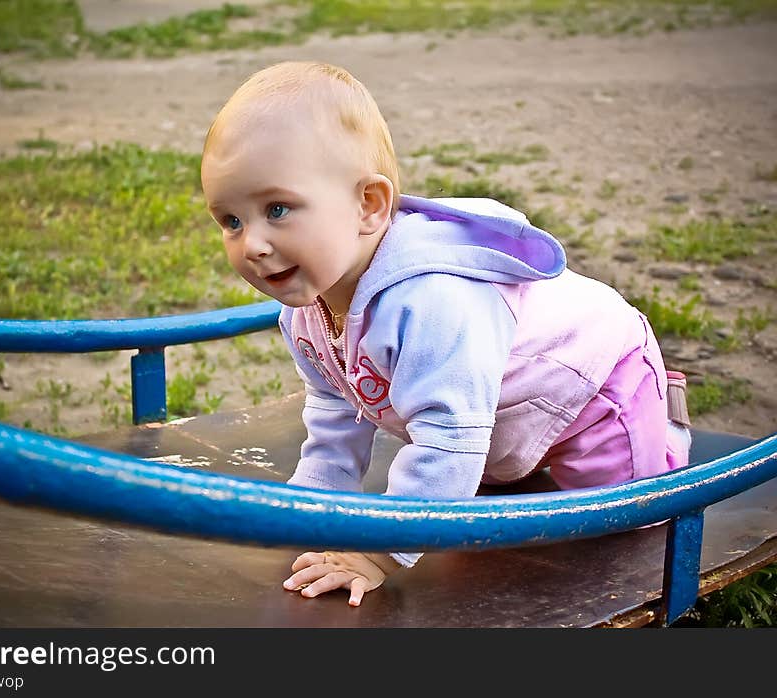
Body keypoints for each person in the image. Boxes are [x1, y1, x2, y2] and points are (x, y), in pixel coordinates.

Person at [199, 61, 692, 607]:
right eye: (231, 220)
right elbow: (334, 415)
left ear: (369, 205)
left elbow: (449, 437)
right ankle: (504, 460)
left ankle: (664, 421)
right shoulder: (306, 313)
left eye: (277, 209)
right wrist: (312, 510)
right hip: (498, 407)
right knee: (480, 471)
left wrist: (379, 551)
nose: (253, 245)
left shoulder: (431, 301)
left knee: (626, 520)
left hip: (595, 386)